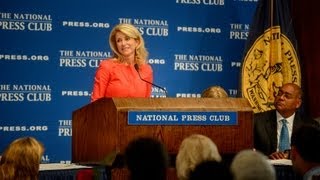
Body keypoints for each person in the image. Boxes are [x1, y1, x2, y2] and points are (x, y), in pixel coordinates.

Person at [91, 23, 153, 102]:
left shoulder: (146, 69)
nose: (123, 43)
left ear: (137, 42)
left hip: (134, 114)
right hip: (109, 114)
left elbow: (146, 103)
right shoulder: (107, 66)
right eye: (119, 40)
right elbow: (96, 101)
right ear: (116, 45)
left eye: (127, 39)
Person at [253, 83, 318, 159]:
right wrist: (267, 157)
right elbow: (247, 150)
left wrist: (289, 155)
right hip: (266, 167)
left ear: (298, 103)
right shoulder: (256, 121)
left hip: (297, 169)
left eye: (287, 96)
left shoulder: (309, 125)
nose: (281, 98)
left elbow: (314, 152)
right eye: (279, 93)